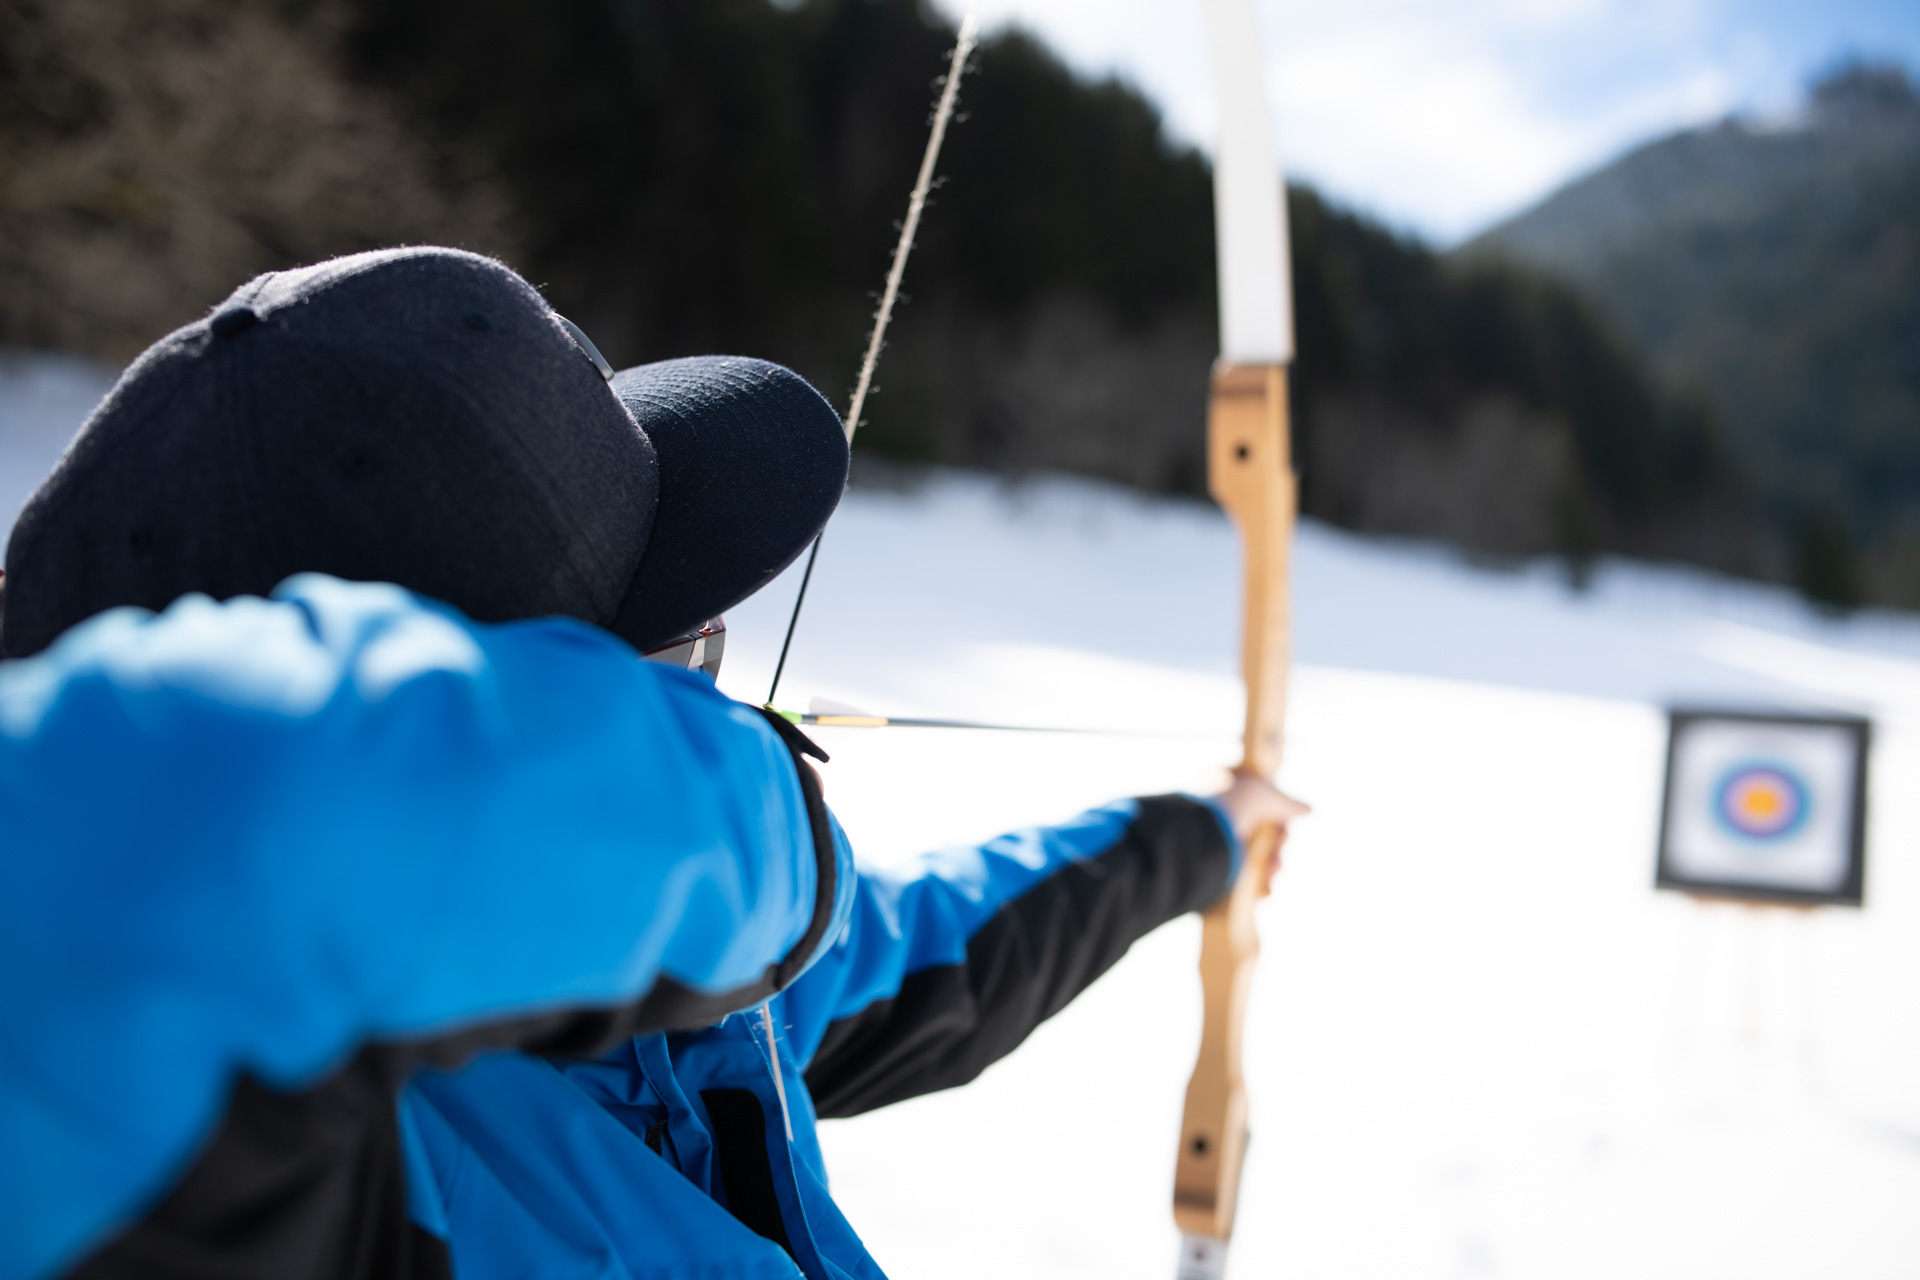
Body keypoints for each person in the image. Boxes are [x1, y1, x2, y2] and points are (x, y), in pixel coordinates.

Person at [0, 247, 1307, 1280]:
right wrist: (746, 826)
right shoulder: (226, 1168)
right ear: (530, 725)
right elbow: (128, 869)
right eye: (672, 662)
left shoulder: (695, 987)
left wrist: (1192, 839)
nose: (709, 702)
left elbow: (935, 948)